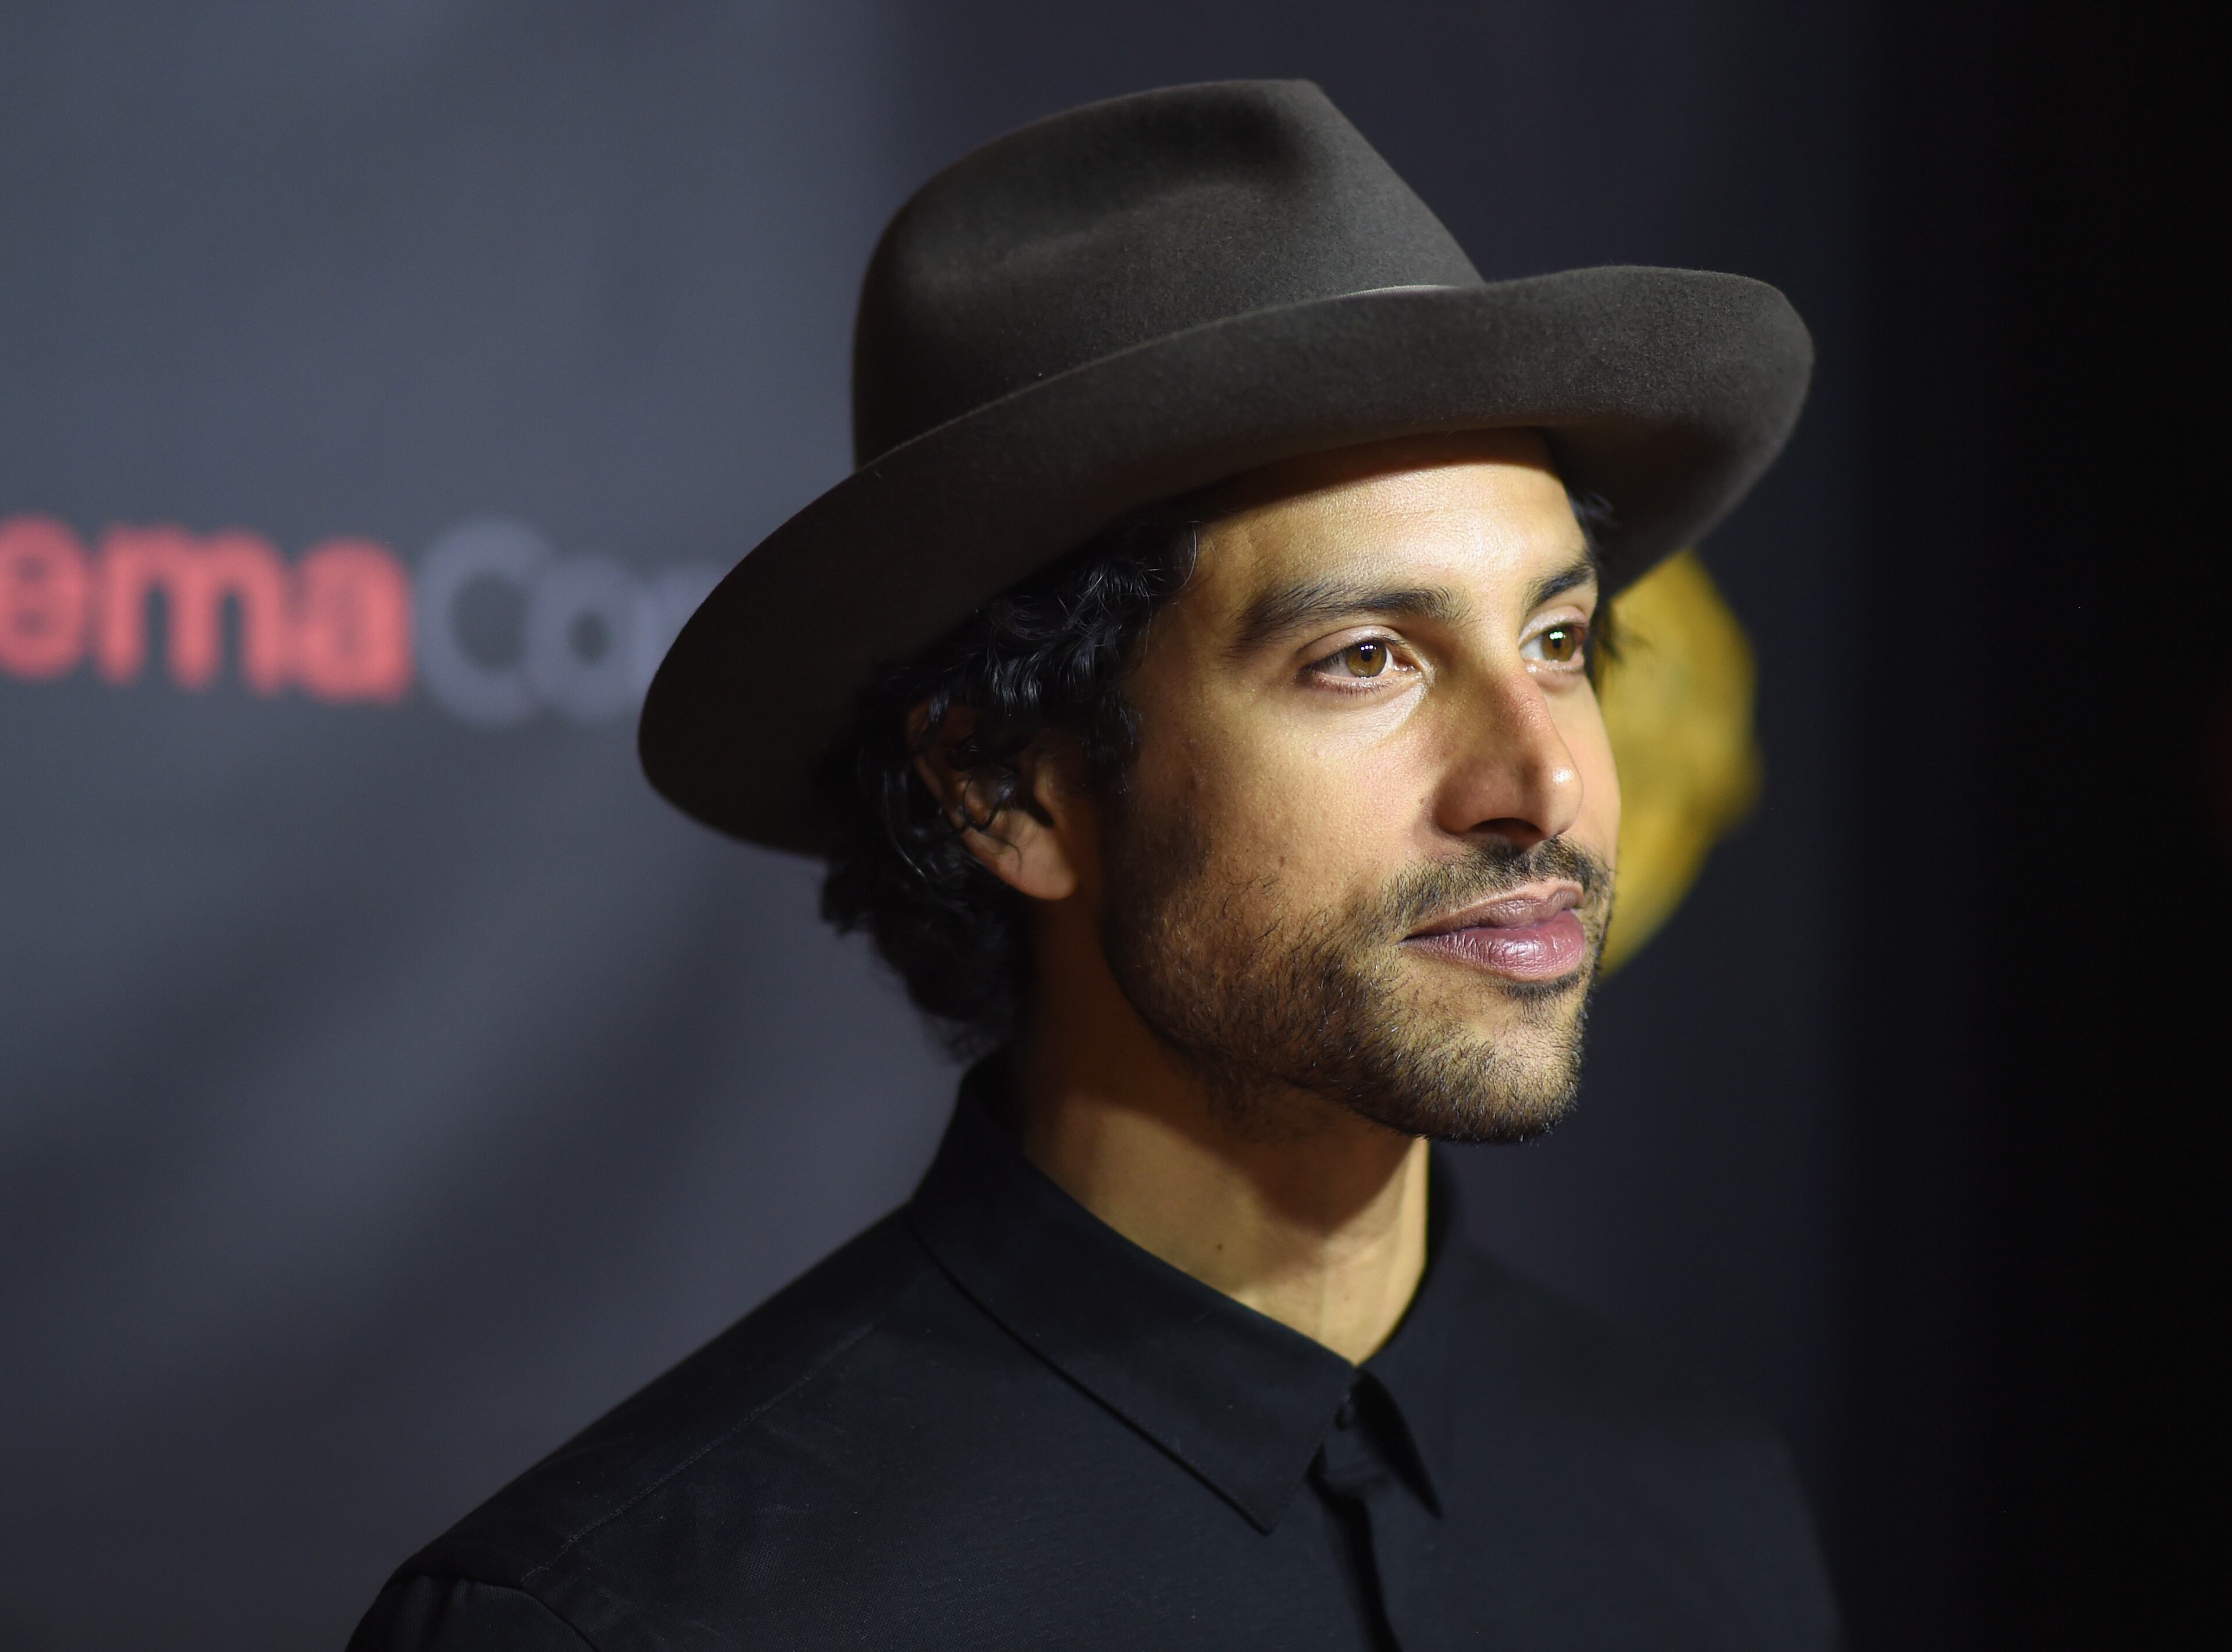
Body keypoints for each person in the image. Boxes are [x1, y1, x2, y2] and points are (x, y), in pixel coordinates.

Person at [352, 80, 1838, 1650]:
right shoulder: (634, 1618)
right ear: (1007, 786)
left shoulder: (1707, 1508)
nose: (1543, 781)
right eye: (1366, 658)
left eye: (1557, 641)